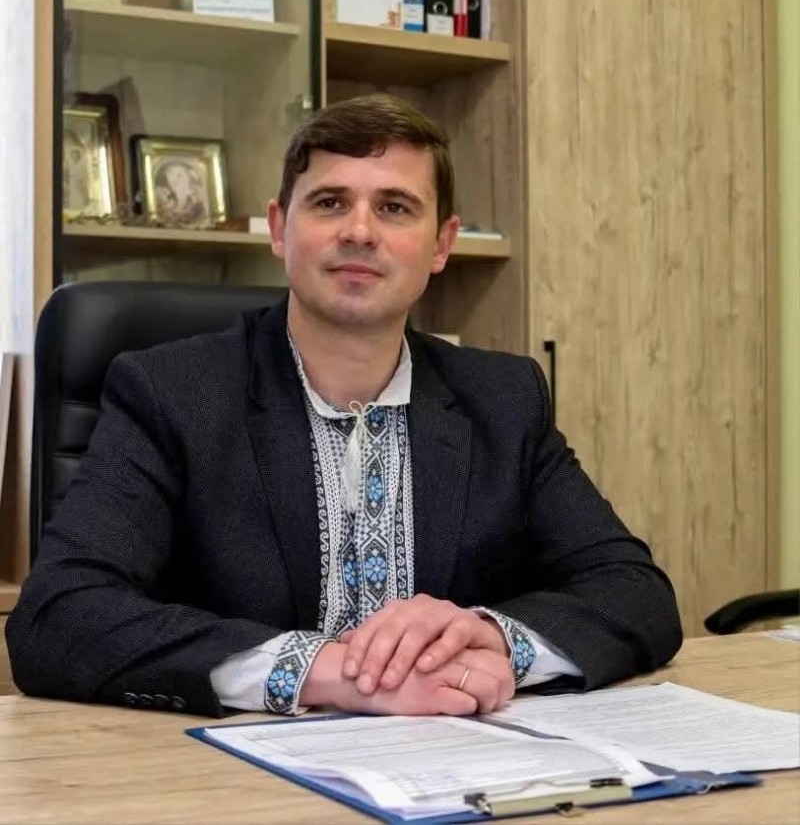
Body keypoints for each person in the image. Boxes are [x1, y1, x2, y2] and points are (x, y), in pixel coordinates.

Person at [6, 94, 682, 718]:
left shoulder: (503, 400)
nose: (360, 231)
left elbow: (635, 591)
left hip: (454, 765)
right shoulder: (172, 394)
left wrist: (491, 638)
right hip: (232, 777)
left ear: (442, 244)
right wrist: (330, 673)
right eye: (330, 202)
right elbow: (57, 618)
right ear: (280, 228)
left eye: (395, 207)